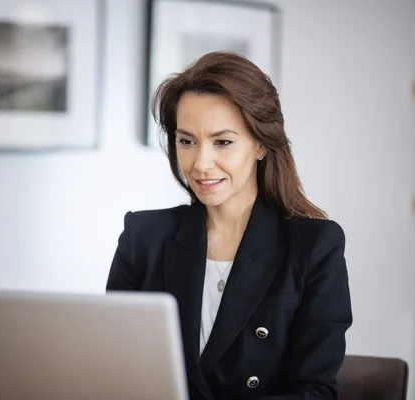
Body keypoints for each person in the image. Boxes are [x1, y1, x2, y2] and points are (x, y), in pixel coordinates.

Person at [106, 51, 352, 400]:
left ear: (262, 145)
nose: (201, 164)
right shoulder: (143, 237)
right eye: (186, 141)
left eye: (223, 142)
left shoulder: (314, 246)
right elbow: (114, 369)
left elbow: (315, 393)